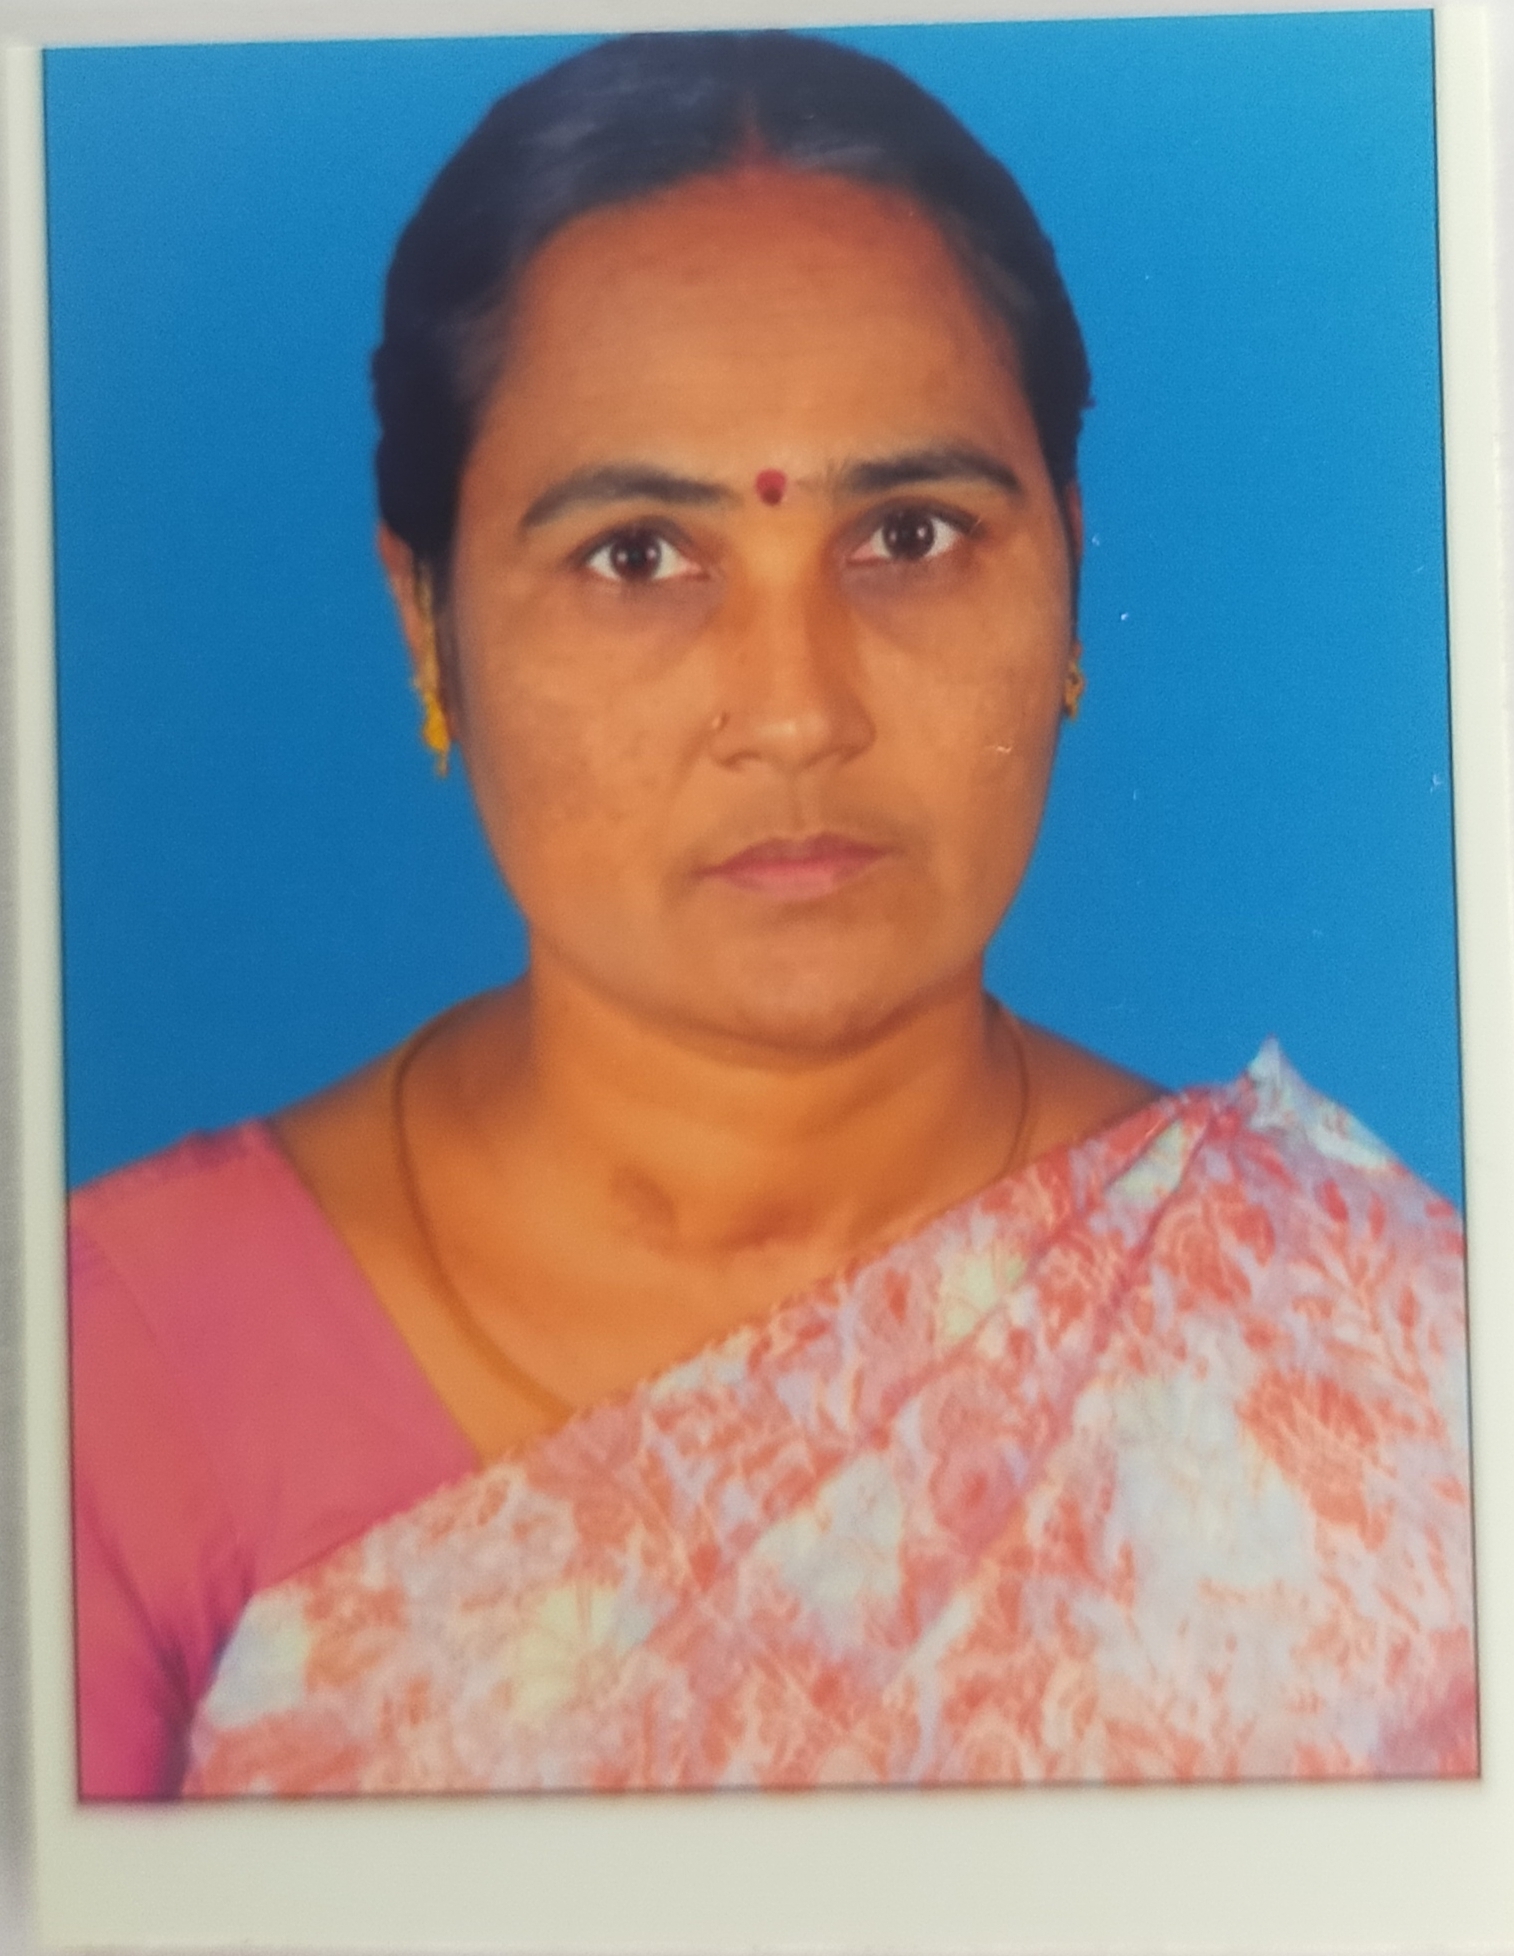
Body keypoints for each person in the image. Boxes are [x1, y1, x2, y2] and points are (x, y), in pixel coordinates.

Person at [69, 29, 1476, 1799]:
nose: (797, 710)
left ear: (1069, 574)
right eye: (636, 557)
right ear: (426, 626)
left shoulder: (1380, 1353)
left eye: (910, 536)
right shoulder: (113, 1380)